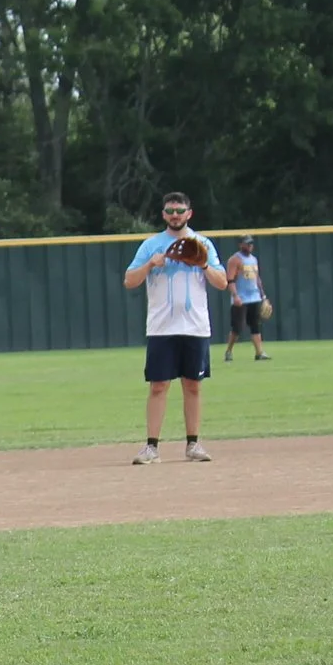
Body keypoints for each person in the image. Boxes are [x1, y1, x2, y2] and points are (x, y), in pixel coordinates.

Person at [121, 190, 228, 464]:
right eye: (170, 211)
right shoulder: (151, 245)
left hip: (195, 326)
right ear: (163, 214)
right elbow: (130, 281)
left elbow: (222, 282)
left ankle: (193, 444)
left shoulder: (201, 243)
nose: (175, 215)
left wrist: (203, 264)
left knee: (193, 385)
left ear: (189, 213)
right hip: (161, 327)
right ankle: (151, 447)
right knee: (158, 386)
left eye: (180, 210)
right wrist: (150, 264)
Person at [222, 236, 270, 362]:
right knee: (237, 328)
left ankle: (259, 352)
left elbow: (257, 279)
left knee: (255, 326)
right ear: (240, 245)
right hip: (241, 298)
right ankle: (229, 351)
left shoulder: (253, 259)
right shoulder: (235, 259)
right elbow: (230, 280)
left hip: (254, 297)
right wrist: (235, 296)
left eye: (251, 244)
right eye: (247, 244)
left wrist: (263, 295)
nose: (249, 246)